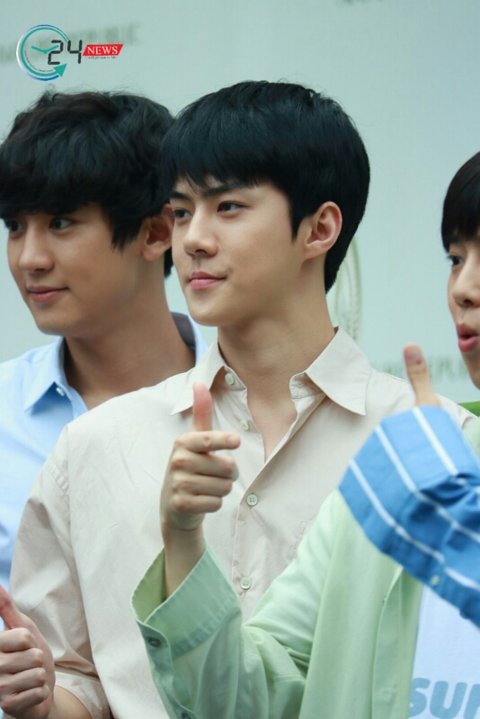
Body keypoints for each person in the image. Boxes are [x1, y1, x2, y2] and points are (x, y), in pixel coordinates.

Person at [0, 81, 470, 719]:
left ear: (320, 228)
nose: (193, 238)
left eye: (227, 207)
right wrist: (39, 699)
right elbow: (80, 682)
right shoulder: (95, 446)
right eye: (182, 211)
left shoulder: (429, 447)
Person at [130, 151, 480, 719]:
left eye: (229, 206)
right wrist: (184, 539)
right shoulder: (398, 474)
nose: (463, 288)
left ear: (320, 229)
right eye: (456, 258)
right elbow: (243, 700)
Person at [0, 90, 205, 590]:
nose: (28, 258)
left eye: (60, 223)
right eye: (15, 226)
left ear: (156, 233)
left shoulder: (249, 401)